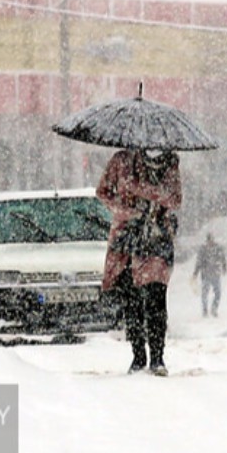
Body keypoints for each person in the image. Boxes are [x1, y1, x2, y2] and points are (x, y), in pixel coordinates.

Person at [96, 147, 182, 376]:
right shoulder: (121, 161)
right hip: (126, 238)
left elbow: (175, 199)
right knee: (130, 300)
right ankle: (138, 356)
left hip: (156, 237)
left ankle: (157, 357)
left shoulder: (169, 163)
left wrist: (146, 191)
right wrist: (124, 211)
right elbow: (103, 191)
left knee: (156, 298)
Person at [192, 233, 227, 317]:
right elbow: (199, 261)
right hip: (206, 274)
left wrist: (224, 267)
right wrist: (196, 272)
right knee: (205, 293)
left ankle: (214, 309)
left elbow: (223, 258)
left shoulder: (218, 248)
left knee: (217, 293)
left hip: (215, 274)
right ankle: (205, 310)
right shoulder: (203, 249)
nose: (210, 242)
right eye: (209, 240)